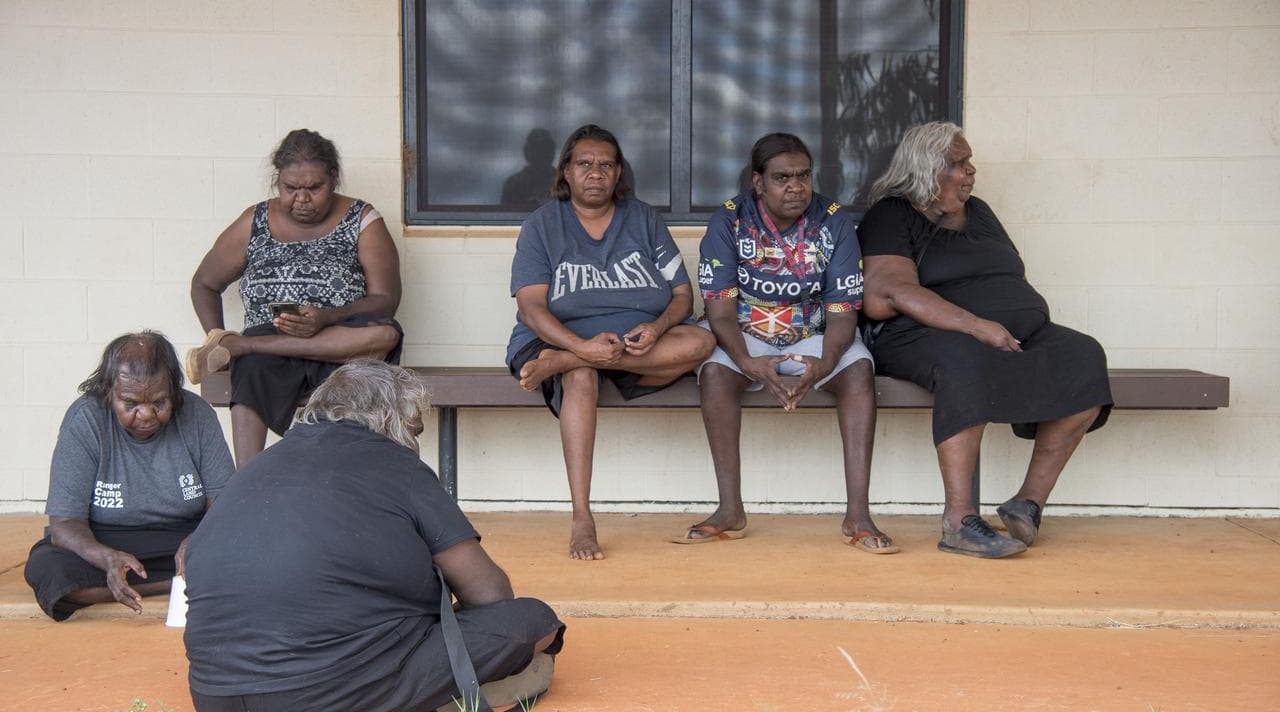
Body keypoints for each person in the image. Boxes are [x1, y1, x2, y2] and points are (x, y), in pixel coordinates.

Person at [183, 360, 565, 712]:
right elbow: (490, 596)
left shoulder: (258, 465)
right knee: (532, 620)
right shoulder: (397, 464)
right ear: (391, 419)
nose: (412, 441)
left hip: (214, 694)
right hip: (327, 694)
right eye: (413, 428)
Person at [857, 121, 1112, 559]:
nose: (971, 171)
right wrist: (976, 324)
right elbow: (888, 293)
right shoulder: (891, 215)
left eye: (968, 161)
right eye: (958, 163)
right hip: (921, 335)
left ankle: (1026, 504)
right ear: (926, 168)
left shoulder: (981, 212)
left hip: (1011, 334)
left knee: (1082, 354)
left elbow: (1006, 274)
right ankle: (959, 521)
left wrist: (1011, 319)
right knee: (965, 360)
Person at [506, 124, 716, 561]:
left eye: (606, 165)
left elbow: (682, 296)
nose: (595, 173)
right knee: (581, 377)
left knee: (699, 342)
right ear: (566, 171)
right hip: (552, 339)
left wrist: (657, 328)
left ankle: (563, 362)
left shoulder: (643, 219)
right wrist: (579, 349)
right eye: (584, 164)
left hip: (635, 345)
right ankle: (583, 517)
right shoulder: (542, 225)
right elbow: (532, 309)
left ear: (619, 173)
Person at [681, 132, 895, 554]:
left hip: (817, 336)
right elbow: (720, 311)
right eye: (782, 177)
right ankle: (730, 510)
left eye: (803, 175)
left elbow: (843, 311)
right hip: (744, 336)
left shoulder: (832, 220)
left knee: (858, 372)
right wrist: (744, 361)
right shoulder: (730, 220)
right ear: (758, 182)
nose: (795, 186)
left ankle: (858, 515)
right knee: (716, 375)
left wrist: (827, 360)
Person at [187, 128, 403, 468]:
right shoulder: (254, 221)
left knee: (387, 334)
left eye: (314, 188)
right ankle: (248, 481)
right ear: (278, 182)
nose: (301, 198)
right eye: (291, 188)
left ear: (333, 179)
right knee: (251, 368)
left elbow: (385, 300)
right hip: (269, 343)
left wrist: (326, 316)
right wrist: (215, 335)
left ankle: (242, 346)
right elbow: (204, 283)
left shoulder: (362, 219)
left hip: (339, 344)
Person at [23, 331, 234, 621]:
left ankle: (176, 578)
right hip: (108, 538)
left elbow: (224, 503)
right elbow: (64, 523)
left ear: (173, 391)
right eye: (131, 404)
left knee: (248, 545)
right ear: (109, 392)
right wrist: (105, 557)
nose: (146, 415)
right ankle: (181, 584)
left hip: (183, 537)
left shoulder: (197, 415)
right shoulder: (85, 419)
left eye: (160, 403)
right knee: (47, 568)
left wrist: (197, 541)